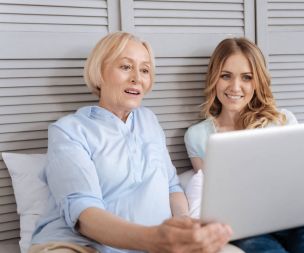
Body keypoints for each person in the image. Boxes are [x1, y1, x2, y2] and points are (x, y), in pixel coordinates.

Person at [28, 32, 232, 253]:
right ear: (99, 72)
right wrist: (155, 240)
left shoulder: (149, 121)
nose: (137, 78)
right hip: (79, 245)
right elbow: (83, 213)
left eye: (144, 70)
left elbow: (172, 187)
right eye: (126, 67)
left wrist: (183, 223)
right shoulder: (69, 130)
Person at [184, 37, 304, 253]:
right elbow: (217, 200)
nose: (235, 87)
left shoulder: (282, 120)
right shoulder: (197, 136)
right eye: (226, 76)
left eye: (247, 77)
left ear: (257, 81)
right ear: (214, 78)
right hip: (254, 226)